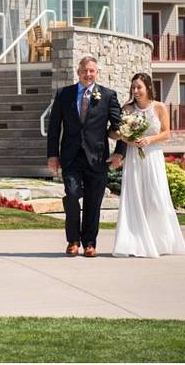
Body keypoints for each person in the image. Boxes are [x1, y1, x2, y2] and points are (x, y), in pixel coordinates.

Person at [46, 56, 126, 257]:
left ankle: (90, 243)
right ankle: (73, 240)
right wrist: (52, 155)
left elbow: (121, 128)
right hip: (71, 157)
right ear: (78, 72)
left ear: (96, 73)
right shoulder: (64, 94)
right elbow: (54, 128)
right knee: (72, 195)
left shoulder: (108, 96)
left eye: (92, 71)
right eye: (85, 71)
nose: (88, 74)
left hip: (97, 158)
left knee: (93, 201)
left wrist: (119, 152)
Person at [108, 72, 185, 258]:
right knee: (135, 197)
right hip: (134, 159)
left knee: (156, 198)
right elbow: (115, 134)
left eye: (139, 87)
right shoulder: (127, 108)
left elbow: (167, 133)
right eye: (133, 87)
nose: (135, 91)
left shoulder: (159, 107)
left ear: (148, 88)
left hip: (153, 157)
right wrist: (127, 137)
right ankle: (134, 243)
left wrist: (149, 139)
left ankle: (160, 243)